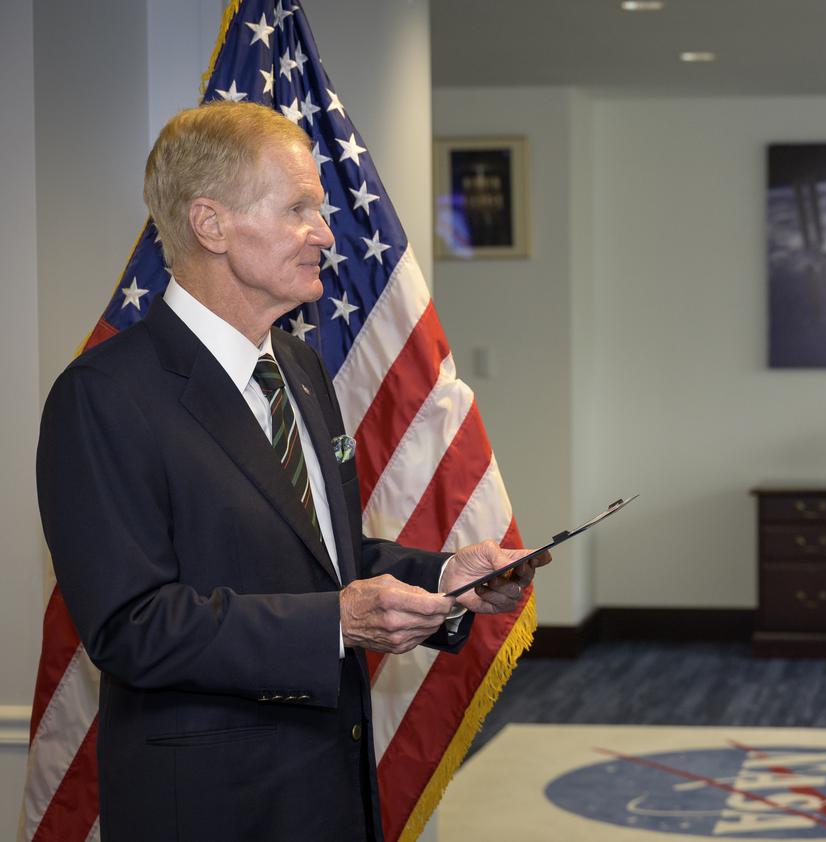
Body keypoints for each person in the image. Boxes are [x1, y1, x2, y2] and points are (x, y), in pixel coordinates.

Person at [35, 101, 546, 841]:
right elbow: (130, 626)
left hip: (330, 787)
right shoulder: (105, 397)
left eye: (323, 207)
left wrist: (444, 577)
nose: (326, 233)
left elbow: (324, 562)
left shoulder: (300, 369)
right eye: (299, 208)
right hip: (212, 809)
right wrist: (334, 623)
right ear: (210, 224)